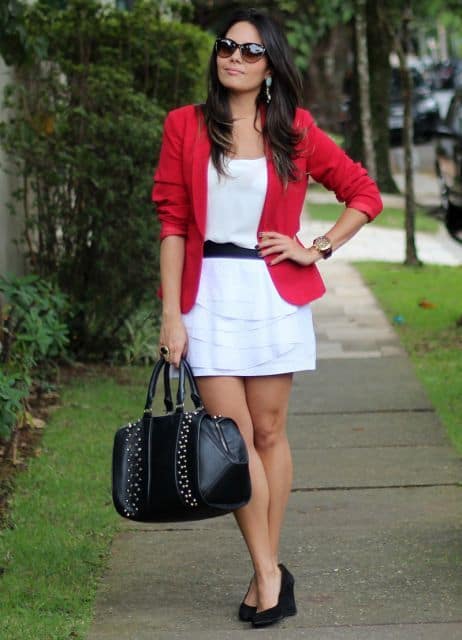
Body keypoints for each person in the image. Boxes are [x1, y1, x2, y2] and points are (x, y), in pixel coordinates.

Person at [152, 8, 382, 628]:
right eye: (227, 46)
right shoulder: (185, 126)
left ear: (271, 66)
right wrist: (172, 315)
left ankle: (266, 569)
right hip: (210, 298)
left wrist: (318, 246)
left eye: (251, 52)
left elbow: (364, 194)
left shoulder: (296, 130)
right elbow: (173, 224)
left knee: (271, 433)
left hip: (273, 295)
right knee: (233, 438)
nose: (234, 57)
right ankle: (270, 572)